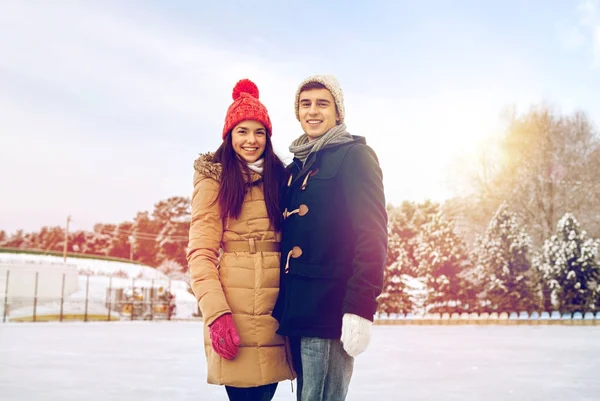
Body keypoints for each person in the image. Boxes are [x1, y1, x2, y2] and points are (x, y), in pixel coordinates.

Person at [272, 74, 388, 401]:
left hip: (329, 309)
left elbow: (373, 235)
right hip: (298, 308)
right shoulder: (298, 166)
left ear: (338, 112)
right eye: (305, 104)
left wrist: (360, 307)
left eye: (323, 103)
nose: (313, 111)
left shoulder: (355, 156)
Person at [187, 79, 295, 401]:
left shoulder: (282, 177)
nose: (251, 140)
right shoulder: (215, 179)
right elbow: (200, 254)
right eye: (242, 131)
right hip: (236, 309)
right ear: (229, 135)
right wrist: (217, 314)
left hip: (277, 308)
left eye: (259, 132)